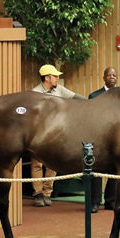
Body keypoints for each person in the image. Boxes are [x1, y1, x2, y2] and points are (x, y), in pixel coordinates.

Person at [31, 64, 86, 207]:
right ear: (47, 78)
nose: (57, 78)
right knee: (37, 163)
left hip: (56, 134)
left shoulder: (60, 90)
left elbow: (76, 97)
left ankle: (47, 193)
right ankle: (38, 194)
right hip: (38, 135)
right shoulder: (35, 93)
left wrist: (91, 101)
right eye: (55, 76)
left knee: (52, 164)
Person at [88, 66, 118, 213]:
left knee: (115, 170)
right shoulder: (94, 96)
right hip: (98, 138)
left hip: (116, 138)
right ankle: (94, 202)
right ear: (104, 78)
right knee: (96, 170)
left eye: (114, 75)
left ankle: (110, 201)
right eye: (109, 75)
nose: (112, 77)